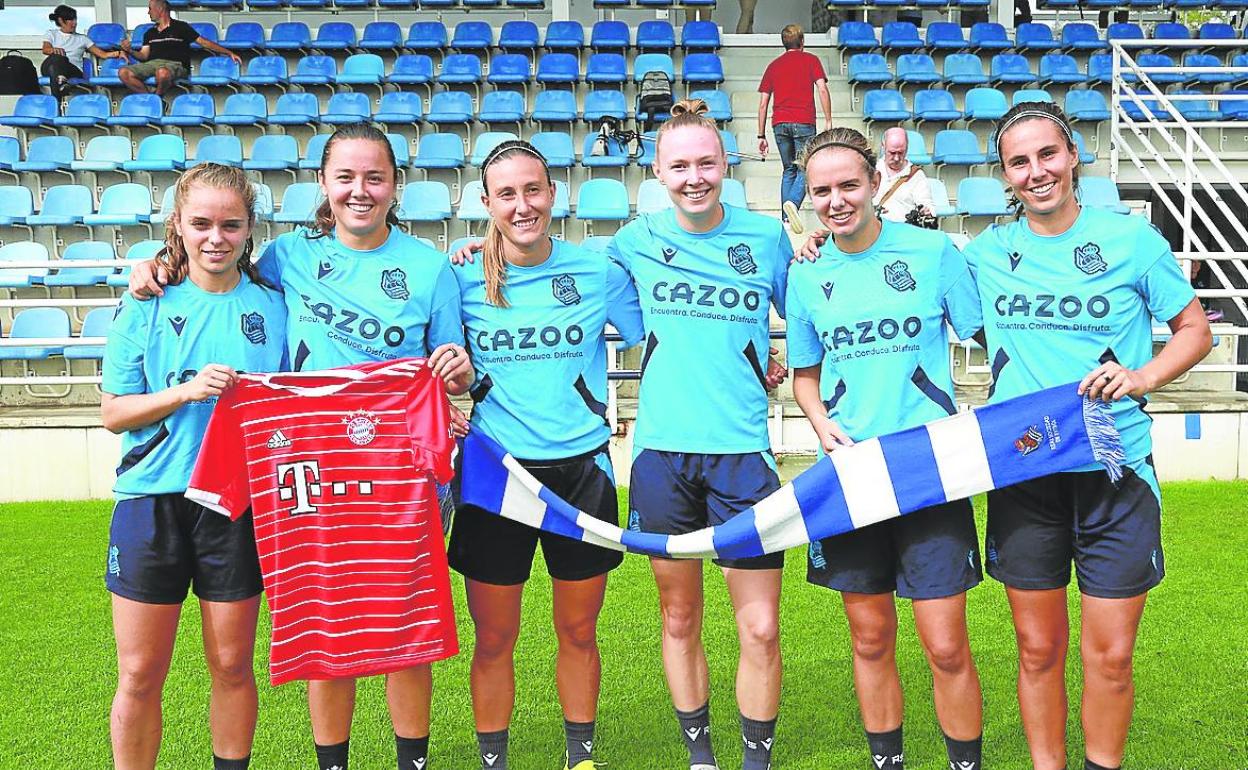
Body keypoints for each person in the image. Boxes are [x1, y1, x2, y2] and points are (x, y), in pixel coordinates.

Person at [129, 122, 474, 770]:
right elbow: (214, 260)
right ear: (323, 184)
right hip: (309, 471)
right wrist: (156, 260)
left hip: (400, 470)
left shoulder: (429, 267)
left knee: (407, 630)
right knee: (327, 620)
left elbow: (456, 376)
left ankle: (412, 763)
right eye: (345, 177)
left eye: (375, 177)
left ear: (396, 186)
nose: (360, 191)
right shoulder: (288, 258)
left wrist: (456, 375)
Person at [963, 101, 1212, 770]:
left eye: (1048, 154)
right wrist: (817, 239)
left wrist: (1141, 376)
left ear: (1073, 156)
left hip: (1117, 474)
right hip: (1026, 475)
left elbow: (1196, 330)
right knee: (1037, 650)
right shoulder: (985, 254)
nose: (1037, 171)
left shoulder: (1132, 240)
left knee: (1113, 656)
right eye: (1020, 161)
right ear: (1006, 176)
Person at [786, 128, 985, 770]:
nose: (836, 200)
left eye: (849, 185)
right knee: (870, 640)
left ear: (877, 184)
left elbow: (989, 331)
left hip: (928, 470)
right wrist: (819, 425)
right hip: (850, 477)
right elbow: (805, 374)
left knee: (946, 644)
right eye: (822, 190)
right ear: (808, 198)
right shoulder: (808, 274)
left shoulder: (933, 254)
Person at [445, 140, 644, 770]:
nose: (523, 205)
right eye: (507, 193)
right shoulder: (459, 279)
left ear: (553, 194)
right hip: (495, 475)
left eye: (533, 190)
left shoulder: (598, 272)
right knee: (495, 637)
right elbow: (438, 366)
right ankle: (493, 760)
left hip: (582, 473)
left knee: (579, 631)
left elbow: (662, 329)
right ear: (486, 202)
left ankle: (579, 756)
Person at [606, 99, 791, 770]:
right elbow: (583, 286)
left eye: (706, 163)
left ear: (727, 165)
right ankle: (700, 756)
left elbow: (805, 308)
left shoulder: (766, 237)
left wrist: (769, 357)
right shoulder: (632, 241)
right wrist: (479, 246)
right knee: (679, 618)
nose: (694, 177)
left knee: (761, 626)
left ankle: (755, 759)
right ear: (657, 171)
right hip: (662, 457)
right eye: (679, 165)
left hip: (744, 456)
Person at [102, 163, 288, 770]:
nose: (216, 237)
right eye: (201, 223)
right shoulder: (145, 303)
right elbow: (114, 413)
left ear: (249, 228)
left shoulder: (274, 307)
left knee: (233, 663)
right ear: (177, 226)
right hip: (151, 502)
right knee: (138, 670)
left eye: (230, 225)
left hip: (235, 503)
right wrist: (186, 393)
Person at [756, 24, 832, 234]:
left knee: (789, 169)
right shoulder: (811, 60)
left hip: (779, 123)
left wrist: (761, 135)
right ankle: (792, 204)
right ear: (803, 42)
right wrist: (828, 119)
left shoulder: (773, 65)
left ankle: (785, 221)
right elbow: (823, 89)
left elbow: (763, 103)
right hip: (804, 122)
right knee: (805, 168)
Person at [118, 0, 241, 96]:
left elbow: (204, 43)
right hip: (152, 64)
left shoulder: (181, 27)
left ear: (160, 9)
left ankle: (158, 97)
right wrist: (130, 51)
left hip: (176, 65)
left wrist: (229, 52)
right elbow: (144, 56)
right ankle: (153, 100)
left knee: (162, 73)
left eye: (150, 9)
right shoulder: (149, 33)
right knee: (123, 72)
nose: (148, 12)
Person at [42, 5, 125, 99]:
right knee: (57, 60)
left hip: (72, 70)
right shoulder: (51, 34)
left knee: (59, 63)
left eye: (75, 20)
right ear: (61, 20)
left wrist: (118, 53)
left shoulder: (83, 39)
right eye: (71, 20)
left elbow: (103, 54)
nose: (74, 23)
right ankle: (61, 83)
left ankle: (56, 100)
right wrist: (53, 50)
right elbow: (45, 49)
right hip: (51, 67)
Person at [874, 127, 934, 224]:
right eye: (892, 153)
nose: (897, 158)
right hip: (875, 231)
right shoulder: (872, 170)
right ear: (883, 146)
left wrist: (926, 211)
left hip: (904, 232)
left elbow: (926, 204)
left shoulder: (916, 175)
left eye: (901, 153)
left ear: (907, 148)